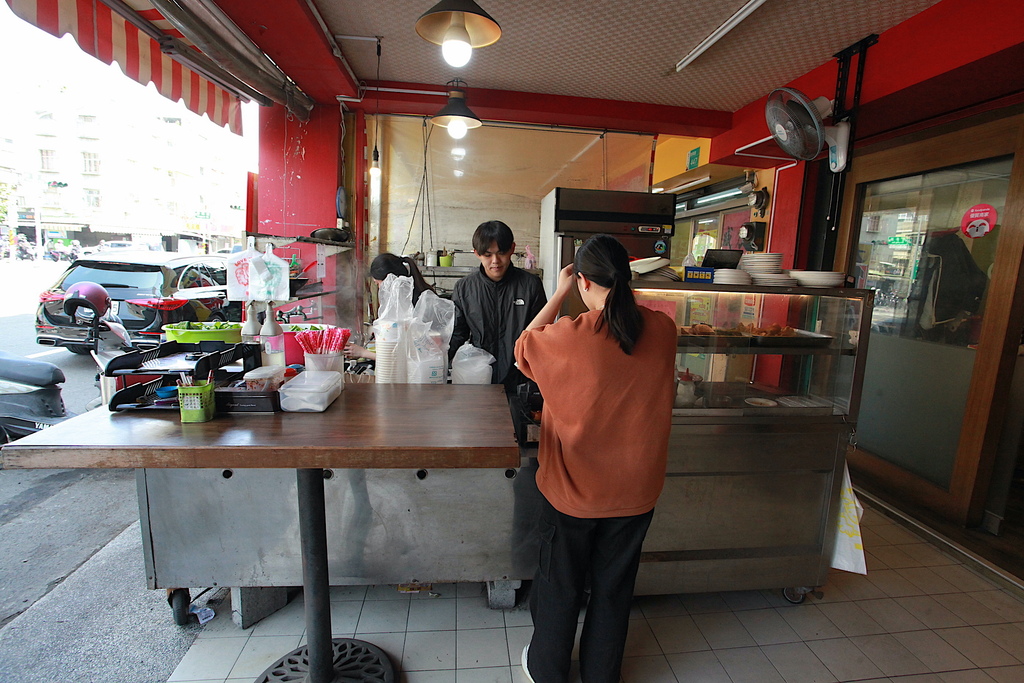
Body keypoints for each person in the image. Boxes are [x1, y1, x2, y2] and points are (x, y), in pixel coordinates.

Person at [513, 234, 677, 683]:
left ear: (583, 280)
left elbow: (523, 347)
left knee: (559, 587)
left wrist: (560, 291)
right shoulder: (663, 330)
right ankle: (601, 675)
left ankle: (547, 671)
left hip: (573, 493)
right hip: (637, 492)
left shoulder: (570, 336)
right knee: (613, 590)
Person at [449, 220, 546, 389]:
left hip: (521, 381)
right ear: (476, 253)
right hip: (479, 379)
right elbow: (457, 334)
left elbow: (542, 334)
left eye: (501, 253)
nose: (495, 261)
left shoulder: (530, 285)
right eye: (487, 255)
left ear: (512, 249)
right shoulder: (465, 288)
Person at [344, 252, 436, 360]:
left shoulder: (410, 305)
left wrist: (363, 353)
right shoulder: (420, 294)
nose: (379, 289)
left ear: (390, 280)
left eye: (378, 283)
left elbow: (405, 358)